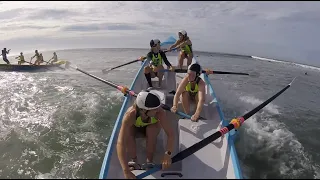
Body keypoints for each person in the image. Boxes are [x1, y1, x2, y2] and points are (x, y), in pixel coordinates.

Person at [117, 90, 174, 179]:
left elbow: (171, 134)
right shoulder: (130, 115)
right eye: (154, 109)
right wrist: (126, 170)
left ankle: (149, 161)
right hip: (136, 128)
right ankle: (134, 160)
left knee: (151, 130)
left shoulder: (159, 112)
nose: (157, 109)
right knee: (128, 134)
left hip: (151, 127)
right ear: (143, 110)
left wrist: (167, 154)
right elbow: (120, 143)